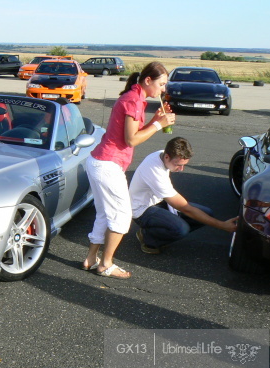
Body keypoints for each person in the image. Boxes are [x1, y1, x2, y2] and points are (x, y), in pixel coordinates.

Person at [81, 61, 176, 279]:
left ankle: (90, 259)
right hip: (108, 165)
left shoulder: (135, 98)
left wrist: (154, 120)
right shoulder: (134, 100)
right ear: (148, 80)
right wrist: (159, 125)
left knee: (105, 213)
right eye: (161, 84)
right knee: (122, 216)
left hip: (98, 161)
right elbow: (131, 139)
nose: (163, 90)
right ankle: (106, 264)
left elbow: (131, 133)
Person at [130, 137, 237, 253]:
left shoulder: (162, 154)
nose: (181, 169)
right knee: (181, 229)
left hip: (158, 200)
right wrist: (222, 226)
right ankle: (148, 239)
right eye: (178, 165)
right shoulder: (154, 172)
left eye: (184, 165)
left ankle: (161, 230)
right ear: (167, 157)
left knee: (207, 214)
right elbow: (185, 208)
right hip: (141, 209)